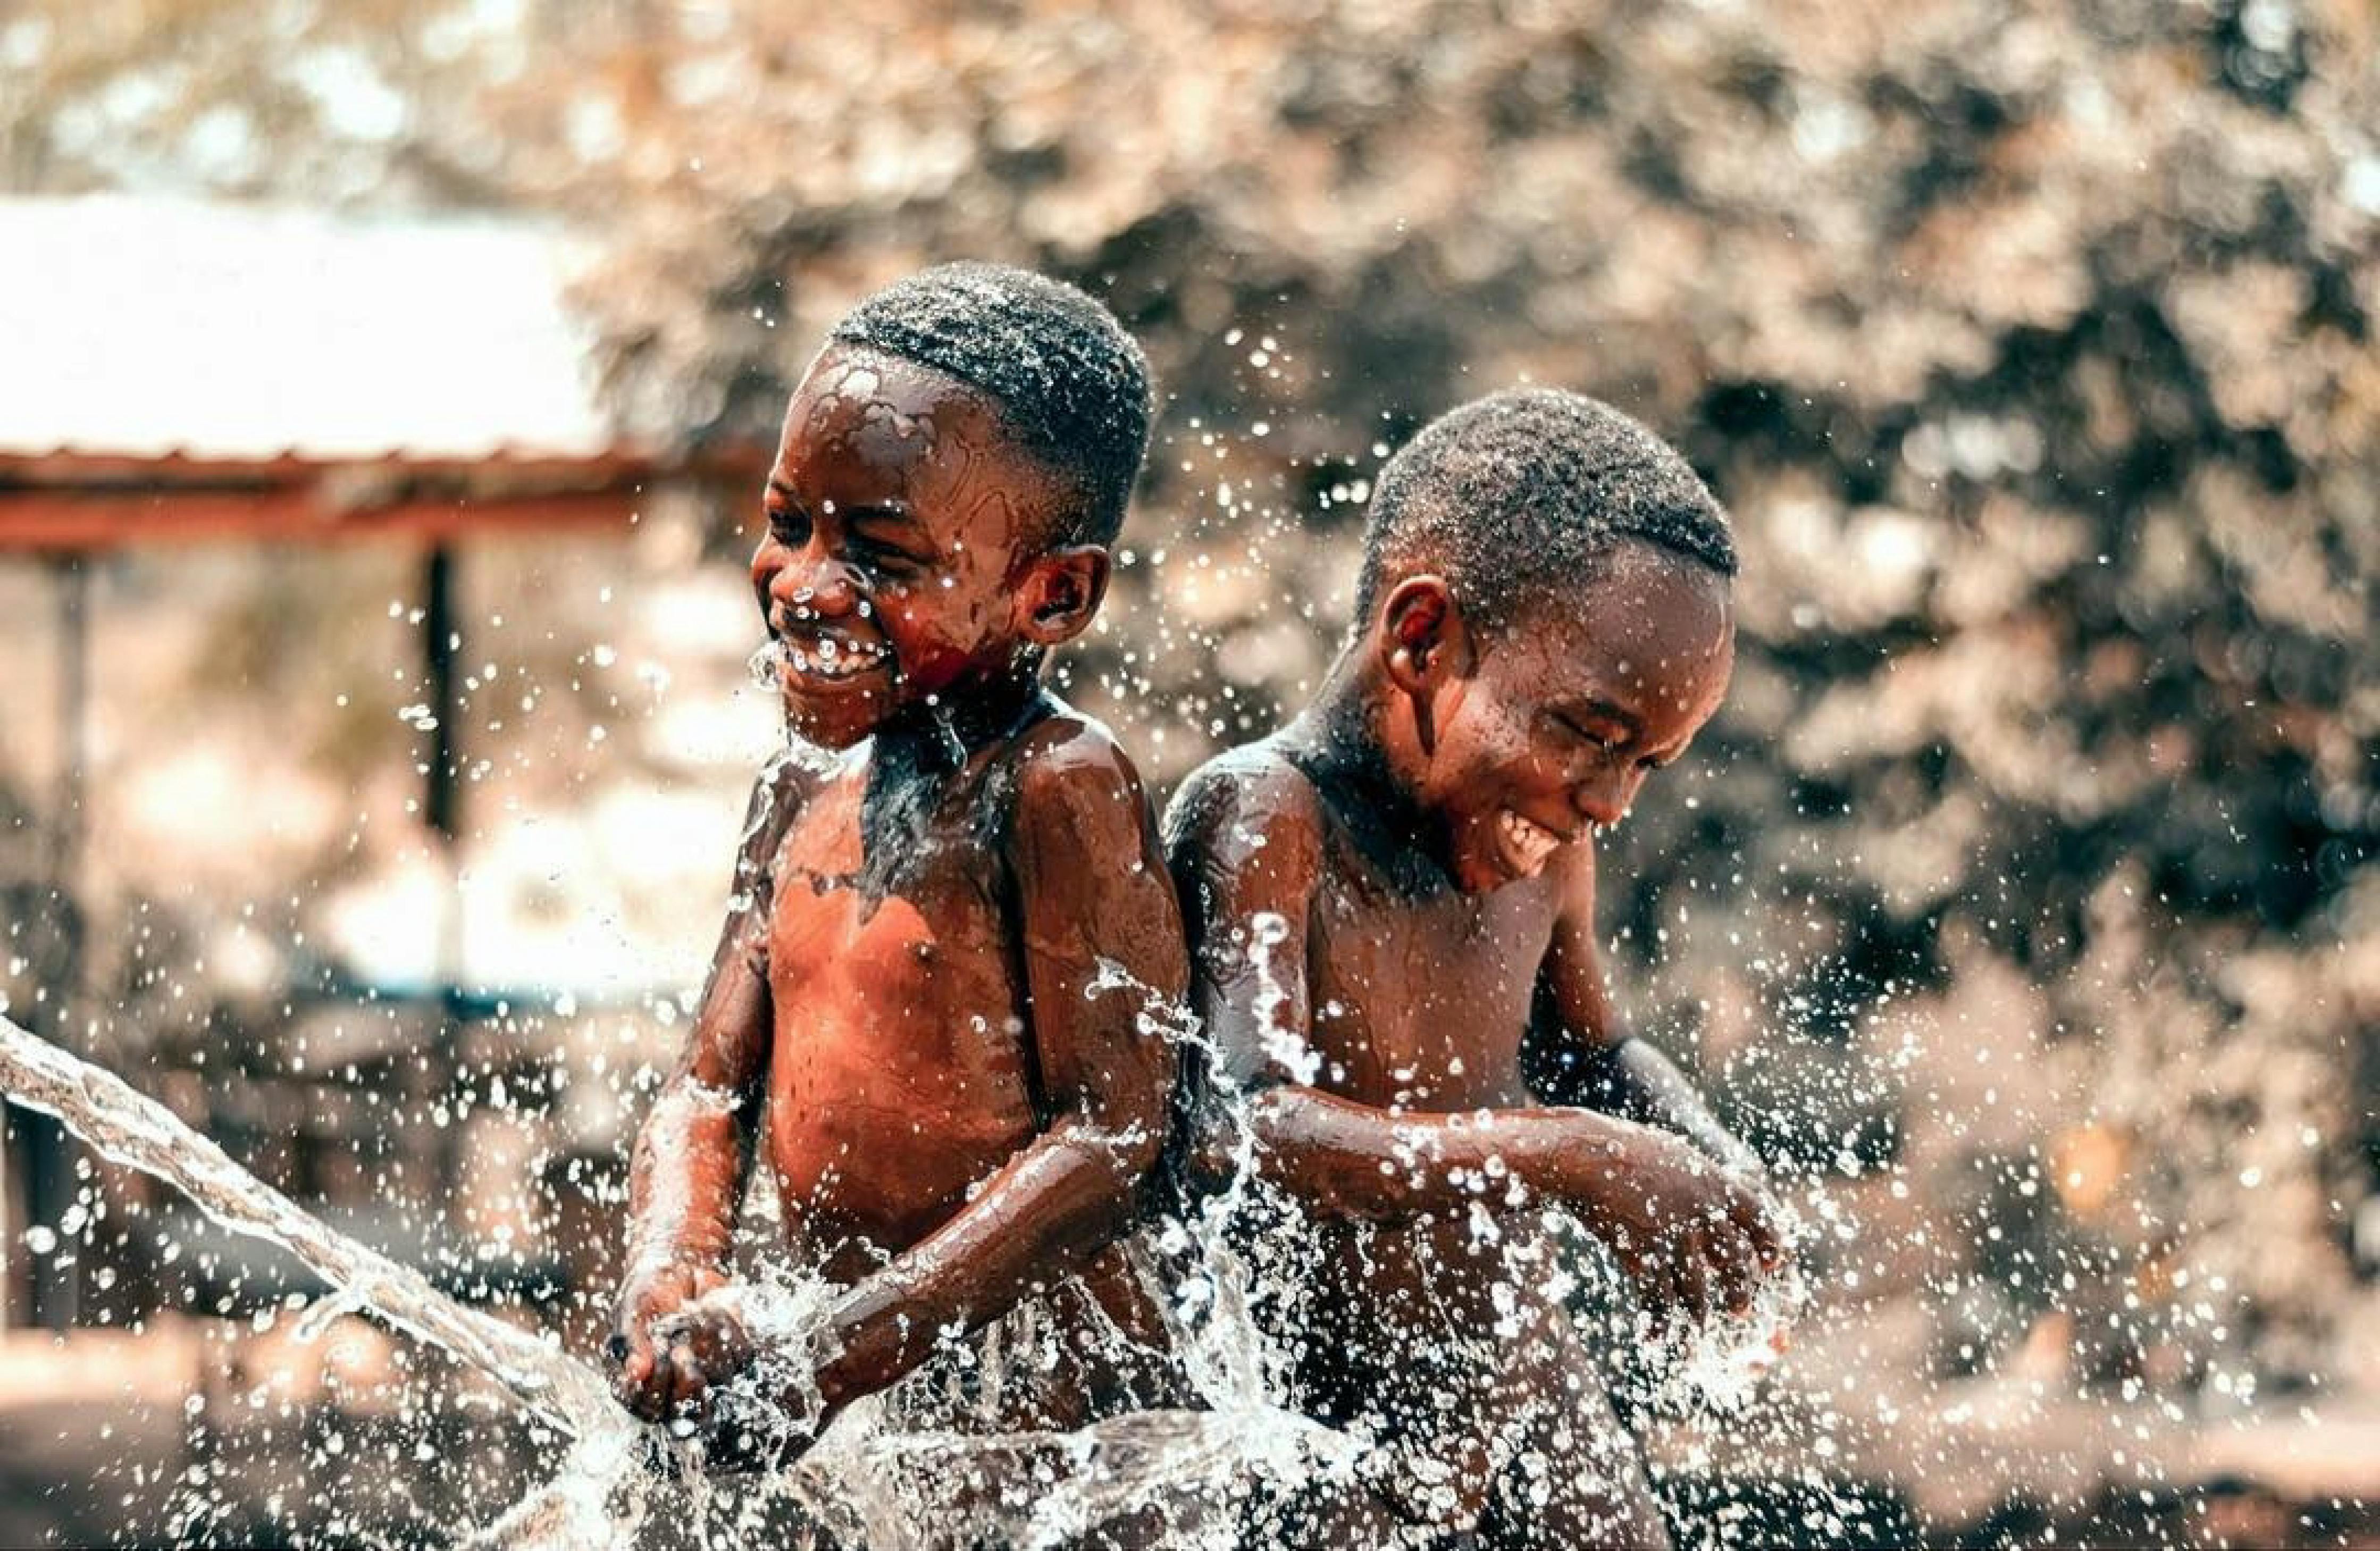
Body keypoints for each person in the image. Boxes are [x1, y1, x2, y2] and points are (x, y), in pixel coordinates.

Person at [1165, 389, 1789, 1548]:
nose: (1609, 801)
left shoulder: (1551, 851)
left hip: (1520, 1388)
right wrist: (1575, 1155)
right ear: (1422, 638)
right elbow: (1245, 1129)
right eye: (1589, 733)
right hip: (1319, 1432)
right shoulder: (1270, 816)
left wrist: (1703, 1155)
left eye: (1650, 763)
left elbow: (1594, 1051)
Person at [609, 263, 1188, 1474]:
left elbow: (1113, 1138)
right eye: (786, 525)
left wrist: (836, 1356)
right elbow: (708, 1087)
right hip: (889, 1405)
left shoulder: (1058, 786)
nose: (805, 587)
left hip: (1070, 1436)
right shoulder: (795, 793)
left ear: (1056, 593)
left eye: (878, 551)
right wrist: (673, 1271)